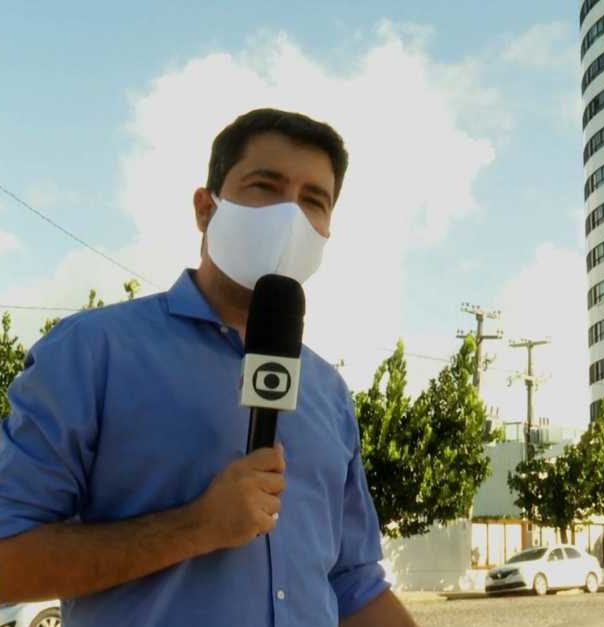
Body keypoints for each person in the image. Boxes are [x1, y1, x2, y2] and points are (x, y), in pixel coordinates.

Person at [0, 108, 418, 626]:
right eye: (265, 186)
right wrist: (195, 527)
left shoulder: (327, 391)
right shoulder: (91, 352)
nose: (291, 215)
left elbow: (353, 581)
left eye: (314, 200)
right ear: (206, 208)